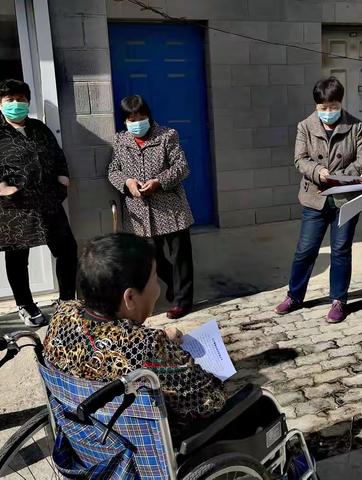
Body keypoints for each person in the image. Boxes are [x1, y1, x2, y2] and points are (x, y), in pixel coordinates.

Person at [43, 233, 225, 437]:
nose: (158, 288)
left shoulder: (62, 314)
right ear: (130, 297)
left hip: (88, 441)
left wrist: (163, 342)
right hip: (146, 451)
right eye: (155, 278)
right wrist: (170, 352)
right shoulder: (148, 346)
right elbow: (210, 401)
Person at [275, 77, 362, 323]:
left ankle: (338, 300)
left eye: (333, 106)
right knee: (305, 250)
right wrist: (319, 172)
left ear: (340, 102)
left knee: (340, 250)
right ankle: (294, 295)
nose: (328, 112)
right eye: (323, 108)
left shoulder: (355, 126)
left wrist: (343, 177)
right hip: (314, 197)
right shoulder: (305, 126)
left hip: (344, 198)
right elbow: (300, 159)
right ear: (316, 105)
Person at [108, 95, 194, 320]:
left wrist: (159, 182)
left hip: (171, 208)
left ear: (148, 115)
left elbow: (182, 167)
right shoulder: (120, 141)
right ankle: (174, 285)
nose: (137, 121)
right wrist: (127, 183)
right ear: (125, 119)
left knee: (180, 256)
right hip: (139, 213)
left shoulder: (167, 136)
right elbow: (113, 171)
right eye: (131, 117)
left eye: (141, 116)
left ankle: (183, 300)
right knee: (151, 257)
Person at [0, 79, 77, 327]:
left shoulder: (38, 128)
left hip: (47, 199)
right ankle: (25, 304)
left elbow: (56, 153)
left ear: (28, 102)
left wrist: (62, 174)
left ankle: (66, 302)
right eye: (10, 100)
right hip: (15, 205)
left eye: (20, 99)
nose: (16, 104)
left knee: (67, 250)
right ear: (0, 103)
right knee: (17, 257)